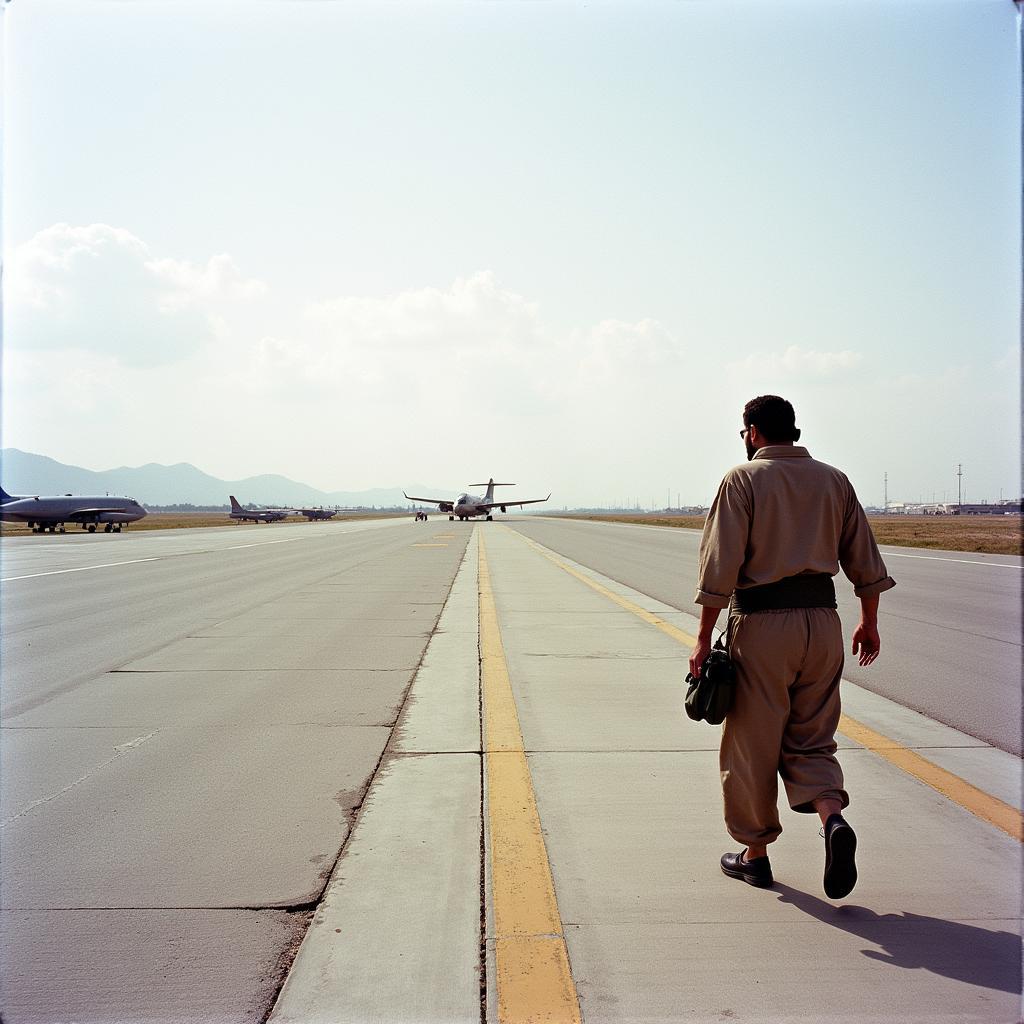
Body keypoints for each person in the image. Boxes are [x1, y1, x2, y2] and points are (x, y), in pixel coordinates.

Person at [690, 395, 895, 898]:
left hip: (762, 624)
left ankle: (755, 855)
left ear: (754, 432)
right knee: (813, 736)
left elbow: (720, 567)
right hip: (823, 623)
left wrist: (700, 640)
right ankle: (831, 818)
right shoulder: (834, 479)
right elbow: (865, 562)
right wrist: (868, 623)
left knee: (753, 742)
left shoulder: (742, 479)